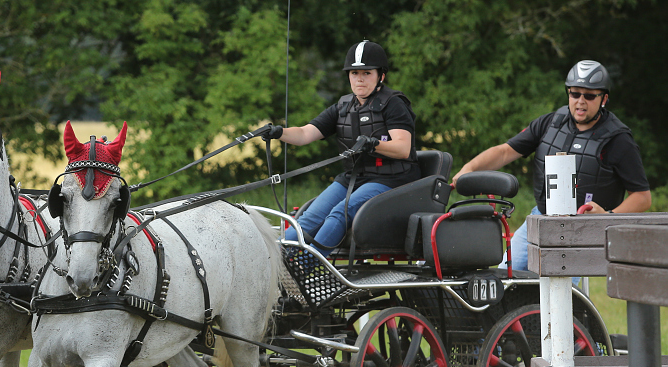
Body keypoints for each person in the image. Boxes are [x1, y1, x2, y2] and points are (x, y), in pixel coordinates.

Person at [452, 60, 651, 272]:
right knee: (505, 278)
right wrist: (469, 169)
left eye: (589, 95)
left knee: (562, 292)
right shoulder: (550, 123)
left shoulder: (618, 139)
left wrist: (606, 216)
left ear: (604, 99)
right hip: (540, 218)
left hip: (582, 230)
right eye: (575, 94)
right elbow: (504, 152)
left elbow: (642, 197)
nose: (581, 101)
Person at [262, 40, 421, 256]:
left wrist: (374, 143)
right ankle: (274, 262)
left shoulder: (393, 103)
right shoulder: (344, 106)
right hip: (352, 178)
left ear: (381, 76)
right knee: (310, 218)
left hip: (389, 180)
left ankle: (307, 267)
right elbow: (305, 134)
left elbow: (403, 148)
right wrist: (279, 132)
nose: (360, 79)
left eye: (367, 73)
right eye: (354, 73)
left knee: (338, 214)